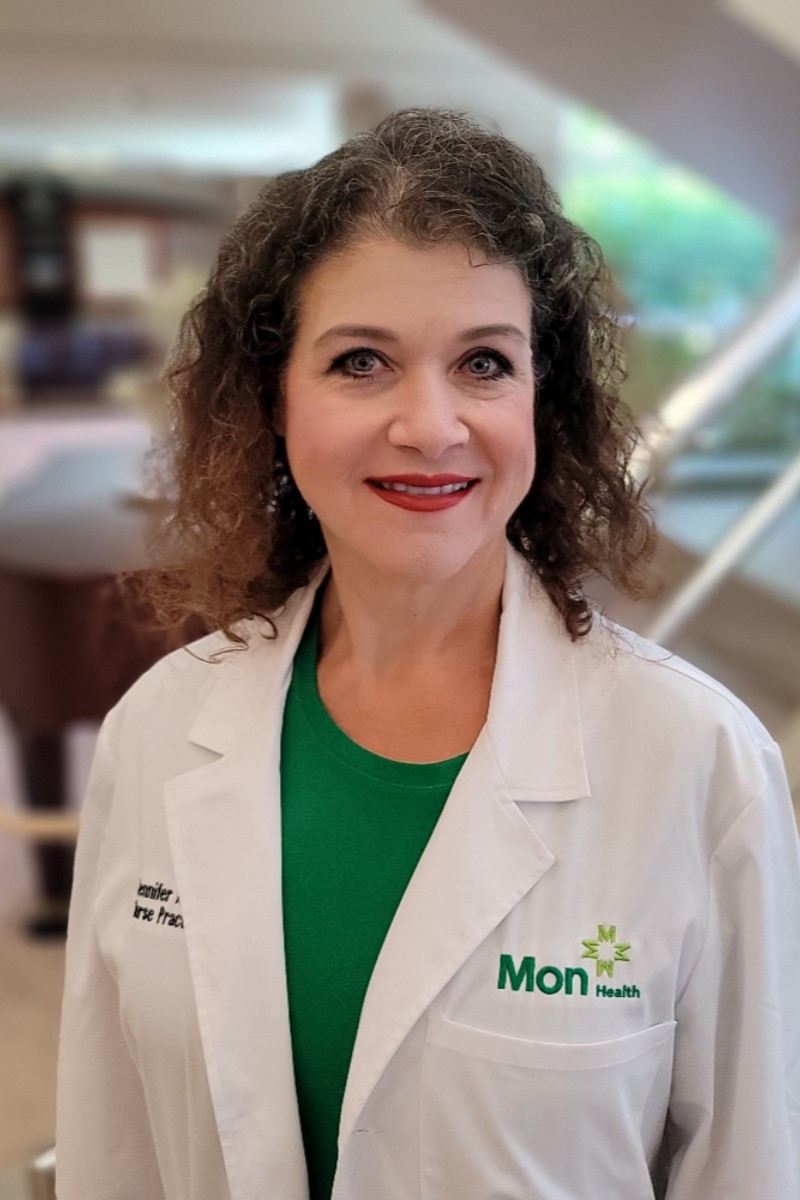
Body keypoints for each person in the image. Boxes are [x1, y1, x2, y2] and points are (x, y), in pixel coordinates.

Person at [56, 108, 800, 1200]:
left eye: (483, 363)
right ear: (275, 400)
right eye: (360, 362)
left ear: (542, 399)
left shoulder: (698, 762)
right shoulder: (160, 729)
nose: (431, 425)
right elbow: (109, 1147)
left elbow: (751, 1168)